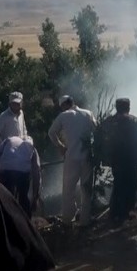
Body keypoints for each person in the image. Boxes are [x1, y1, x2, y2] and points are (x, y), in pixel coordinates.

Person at [98, 98, 137, 226]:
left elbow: (99, 136)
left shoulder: (109, 121)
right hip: (131, 158)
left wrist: (102, 156)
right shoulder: (133, 121)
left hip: (116, 159)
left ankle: (116, 212)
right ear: (128, 107)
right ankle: (128, 211)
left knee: (119, 184)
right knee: (132, 183)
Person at [48, 95, 98, 227]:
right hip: (87, 156)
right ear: (73, 102)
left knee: (68, 189)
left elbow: (51, 133)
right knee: (86, 189)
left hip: (71, 157)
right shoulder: (88, 113)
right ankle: (84, 221)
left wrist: (60, 146)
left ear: (63, 105)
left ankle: (67, 219)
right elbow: (97, 131)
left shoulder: (63, 116)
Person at [0, 135, 42, 217]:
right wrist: (35, 197)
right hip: (23, 173)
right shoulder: (32, 148)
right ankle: (26, 223)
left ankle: (5, 221)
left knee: (5, 198)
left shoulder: (9, 139)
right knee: (23, 197)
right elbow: (36, 173)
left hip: (6, 170)